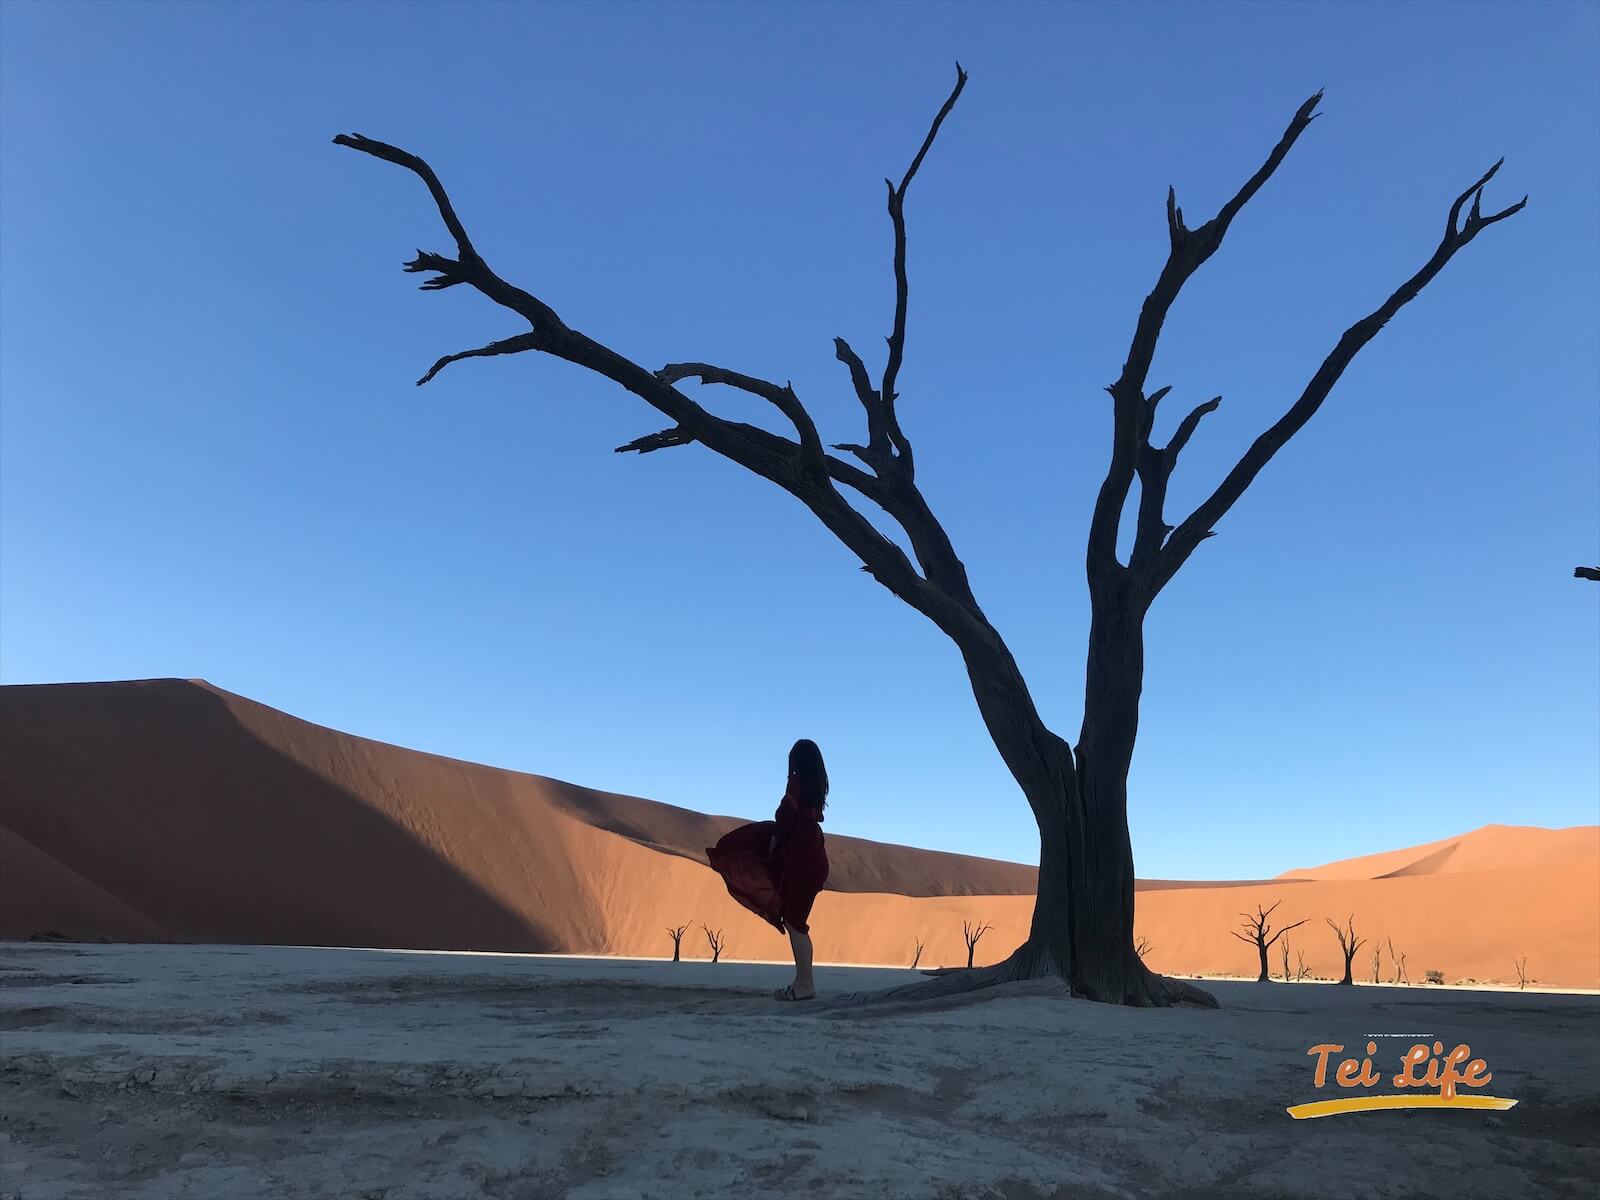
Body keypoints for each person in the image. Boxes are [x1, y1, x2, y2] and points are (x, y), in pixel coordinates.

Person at [705, 739, 830, 1001]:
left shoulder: (796, 783)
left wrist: (775, 839)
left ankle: (805, 984)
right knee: (796, 922)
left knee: (795, 923)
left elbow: (785, 814)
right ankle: (803, 982)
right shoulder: (816, 789)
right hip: (815, 855)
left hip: (801, 858)